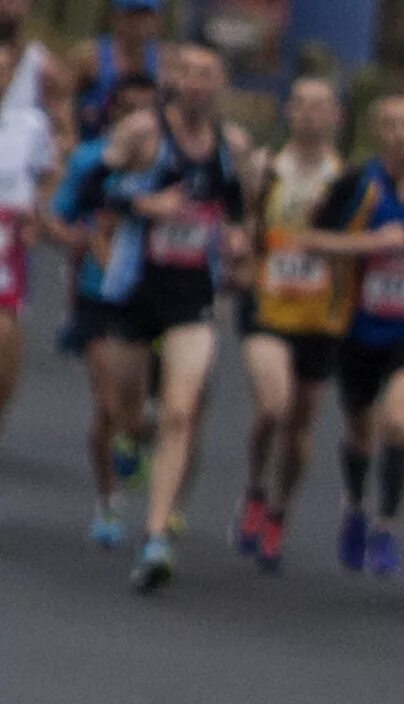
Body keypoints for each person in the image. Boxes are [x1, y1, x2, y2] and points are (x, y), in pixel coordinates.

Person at [93, 40, 249, 593]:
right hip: (134, 289)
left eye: (208, 73)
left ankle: (157, 537)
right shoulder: (142, 132)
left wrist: (236, 237)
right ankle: (133, 439)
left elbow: (234, 207)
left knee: (182, 412)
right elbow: (90, 190)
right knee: (128, 412)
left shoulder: (231, 146)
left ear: (221, 81)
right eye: (187, 72)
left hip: (192, 295)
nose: (197, 83)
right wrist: (142, 202)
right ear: (173, 78)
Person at [309, 91, 404, 586]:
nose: (400, 135)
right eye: (389, 125)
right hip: (356, 329)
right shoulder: (355, 183)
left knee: (398, 421)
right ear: (376, 133)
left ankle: (386, 524)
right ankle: (354, 505)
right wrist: (370, 244)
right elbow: (309, 239)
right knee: (360, 430)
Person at [231, 74, 343, 571]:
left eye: (319, 106)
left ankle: (279, 508)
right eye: (299, 104)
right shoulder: (265, 167)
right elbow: (247, 224)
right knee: (273, 404)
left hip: (319, 314)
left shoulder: (346, 178)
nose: (309, 114)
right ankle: (255, 487)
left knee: (300, 424)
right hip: (268, 304)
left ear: (336, 116)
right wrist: (242, 259)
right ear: (288, 112)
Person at [42, 64, 149, 545]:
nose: (139, 122)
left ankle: (136, 438)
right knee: (107, 404)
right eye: (128, 112)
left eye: (147, 111)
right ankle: (108, 500)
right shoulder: (91, 160)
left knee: (145, 412)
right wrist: (78, 240)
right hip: (98, 295)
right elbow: (56, 218)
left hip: (156, 298)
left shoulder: (175, 165)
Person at [0, 0, 68, 450]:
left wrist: (39, 215)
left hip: (7, 242)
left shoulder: (30, 123)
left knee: (4, 335)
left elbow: (55, 168)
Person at [69, 0, 158, 144]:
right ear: (117, 17)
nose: (139, 24)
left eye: (145, 16)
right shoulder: (90, 57)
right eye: (132, 16)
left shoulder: (162, 61)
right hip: (91, 142)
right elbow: (65, 102)